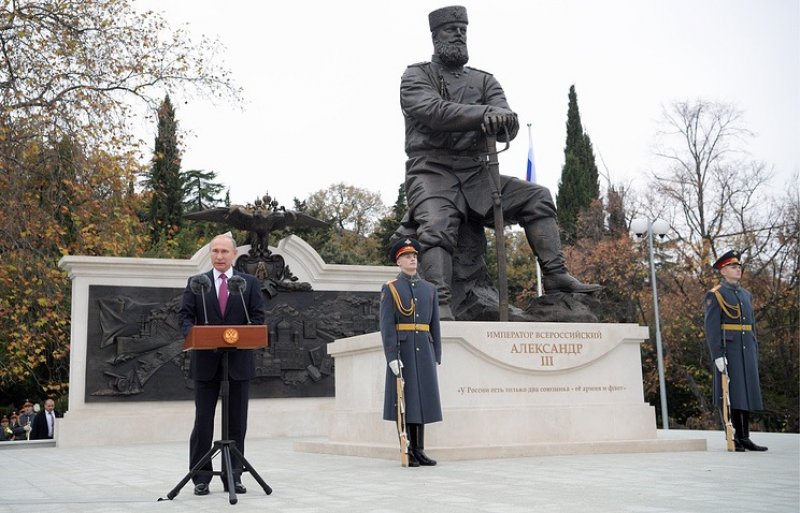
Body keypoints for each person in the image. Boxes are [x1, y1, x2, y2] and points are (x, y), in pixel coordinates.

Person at [400, 5, 600, 320]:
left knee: (538, 197)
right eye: (452, 30)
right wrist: (483, 114)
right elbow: (433, 111)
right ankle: (438, 301)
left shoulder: (484, 80)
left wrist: (506, 122)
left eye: (463, 30)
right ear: (435, 36)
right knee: (436, 226)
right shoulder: (416, 76)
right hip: (432, 171)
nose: (459, 35)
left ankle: (555, 275)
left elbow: (507, 117)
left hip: (478, 174)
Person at [179, 234, 266, 495]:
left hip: (238, 364)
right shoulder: (197, 283)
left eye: (224, 251)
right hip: (206, 363)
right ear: (210, 254)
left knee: (237, 423)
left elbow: (258, 317)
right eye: (215, 251)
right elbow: (184, 316)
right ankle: (200, 477)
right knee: (203, 422)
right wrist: (193, 334)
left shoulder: (248, 284)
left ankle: (234, 476)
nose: (219, 256)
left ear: (234, 254)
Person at [380, 238, 442, 467]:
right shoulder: (391, 288)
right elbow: (386, 325)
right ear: (398, 261)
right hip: (403, 350)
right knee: (404, 402)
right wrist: (392, 357)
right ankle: (406, 449)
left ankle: (420, 449)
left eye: (414, 255)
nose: (412, 259)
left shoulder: (429, 289)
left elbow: (434, 323)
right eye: (407, 256)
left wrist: (436, 352)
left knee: (421, 401)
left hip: (423, 349)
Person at [704, 250, 767, 452]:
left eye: (739, 266)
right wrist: (717, 354)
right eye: (733, 266)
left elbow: (751, 325)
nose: (737, 269)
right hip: (729, 349)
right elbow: (711, 327)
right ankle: (733, 437)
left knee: (745, 392)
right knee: (731, 393)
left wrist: (754, 346)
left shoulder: (746, 295)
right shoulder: (716, 294)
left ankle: (745, 437)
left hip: (746, 347)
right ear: (723, 271)